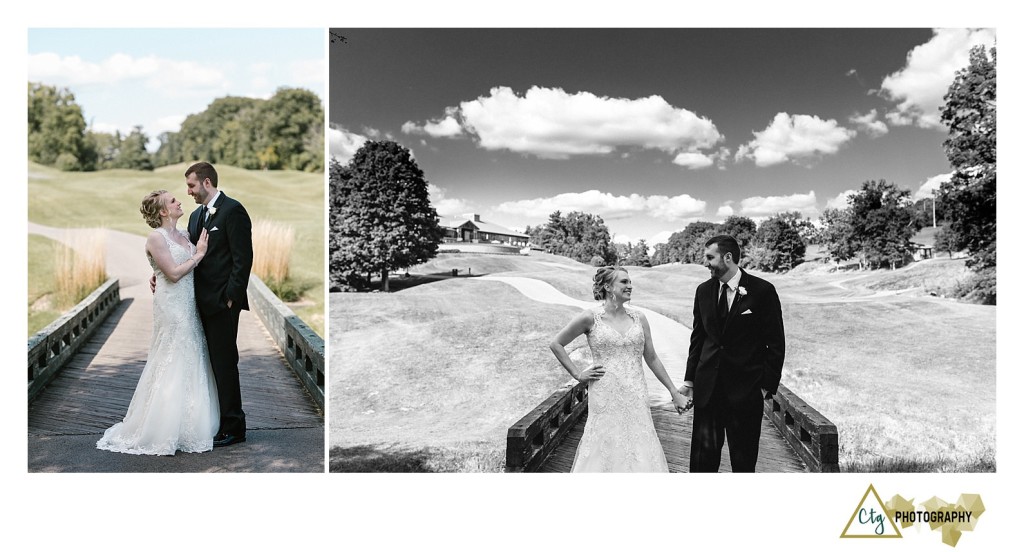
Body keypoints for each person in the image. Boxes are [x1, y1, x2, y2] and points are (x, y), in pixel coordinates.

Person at [96, 191, 218, 455]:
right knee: (172, 356)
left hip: (188, 304)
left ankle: (189, 423)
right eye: (173, 201)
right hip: (171, 306)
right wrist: (199, 255)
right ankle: (161, 426)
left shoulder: (184, 234)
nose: (179, 202)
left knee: (191, 354)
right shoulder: (155, 238)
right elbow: (173, 274)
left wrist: (160, 271)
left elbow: (167, 269)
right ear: (163, 211)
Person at [550, 266, 691, 472]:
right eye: (624, 282)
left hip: (636, 394)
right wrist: (578, 374)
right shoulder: (590, 318)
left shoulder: (639, 318)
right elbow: (556, 344)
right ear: (608, 286)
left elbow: (651, 357)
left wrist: (673, 392)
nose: (630, 286)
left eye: (630, 282)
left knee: (640, 447)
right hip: (605, 396)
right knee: (604, 446)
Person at [680, 235, 785, 472]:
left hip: (746, 393)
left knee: (744, 463)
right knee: (701, 464)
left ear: (727, 257)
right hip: (708, 392)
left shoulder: (763, 291)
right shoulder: (703, 291)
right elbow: (698, 339)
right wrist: (689, 380)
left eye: (710, 257)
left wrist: (766, 385)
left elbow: (776, 343)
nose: (705, 263)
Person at [183, 162, 253, 447]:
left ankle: (234, 426)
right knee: (206, 364)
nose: (188, 192)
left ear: (207, 182)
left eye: (191, 186)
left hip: (222, 304)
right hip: (196, 303)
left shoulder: (233, 210)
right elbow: (188, 255)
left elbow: (243, 258)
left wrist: (231, 297)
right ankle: (213, 421)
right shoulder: (194, 216)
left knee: (224, 364)